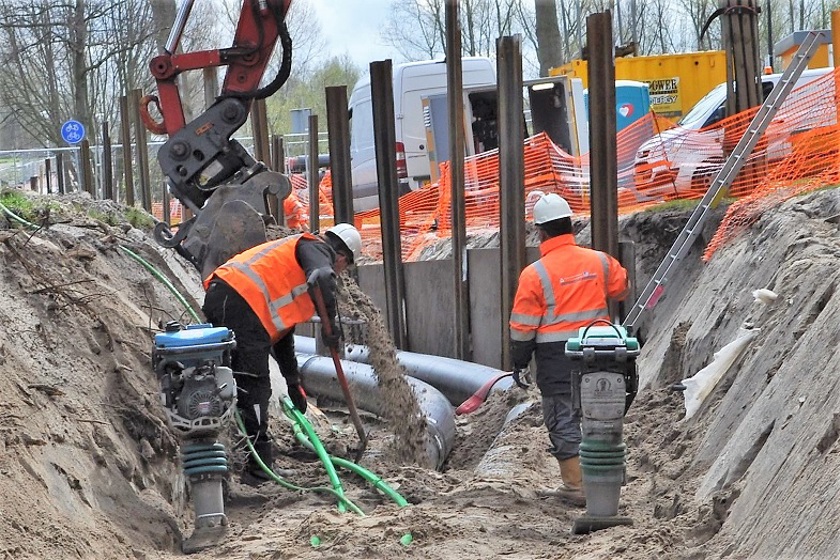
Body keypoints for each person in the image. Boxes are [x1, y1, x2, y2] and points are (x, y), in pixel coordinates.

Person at [202, 223, 362, 486]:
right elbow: (322, 275)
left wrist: (292, 382)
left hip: (229, 296)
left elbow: (283, 335)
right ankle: (258, 468)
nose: (340, 271)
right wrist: (330, 326)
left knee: (237, 381)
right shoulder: (315, 248)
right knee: (254, 384)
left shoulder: (292, 267)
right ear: (342, 257)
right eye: (344, 268)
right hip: (241, 300)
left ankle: (247, 459)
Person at [509, 193, 629, 506]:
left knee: (562, 418)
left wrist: (518, 362)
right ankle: (604, 482)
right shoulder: (599, 260)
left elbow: (523, 327)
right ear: (570, 226)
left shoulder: (533, 274)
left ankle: (576, 486)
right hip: (599, 353)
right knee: (599, 415)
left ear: (541, 232)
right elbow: (620, 287)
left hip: (556, 360)